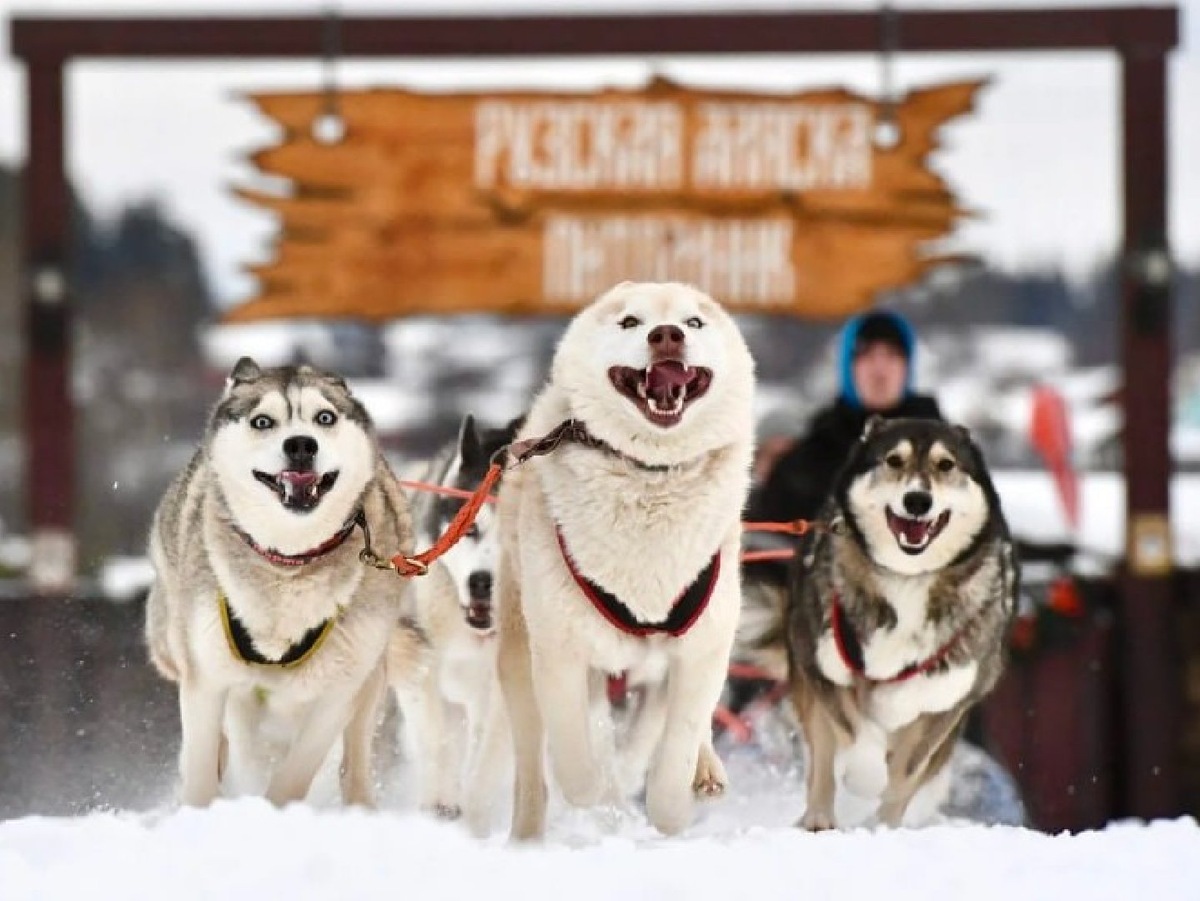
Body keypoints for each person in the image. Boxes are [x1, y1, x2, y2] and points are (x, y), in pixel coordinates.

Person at [747, 309, 943, 528]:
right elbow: (769, 526)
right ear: (848, 366)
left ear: (907, 366)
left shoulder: (941, 447)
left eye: (891, 355)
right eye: (866, 355)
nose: (880, 370)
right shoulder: (814, 451)